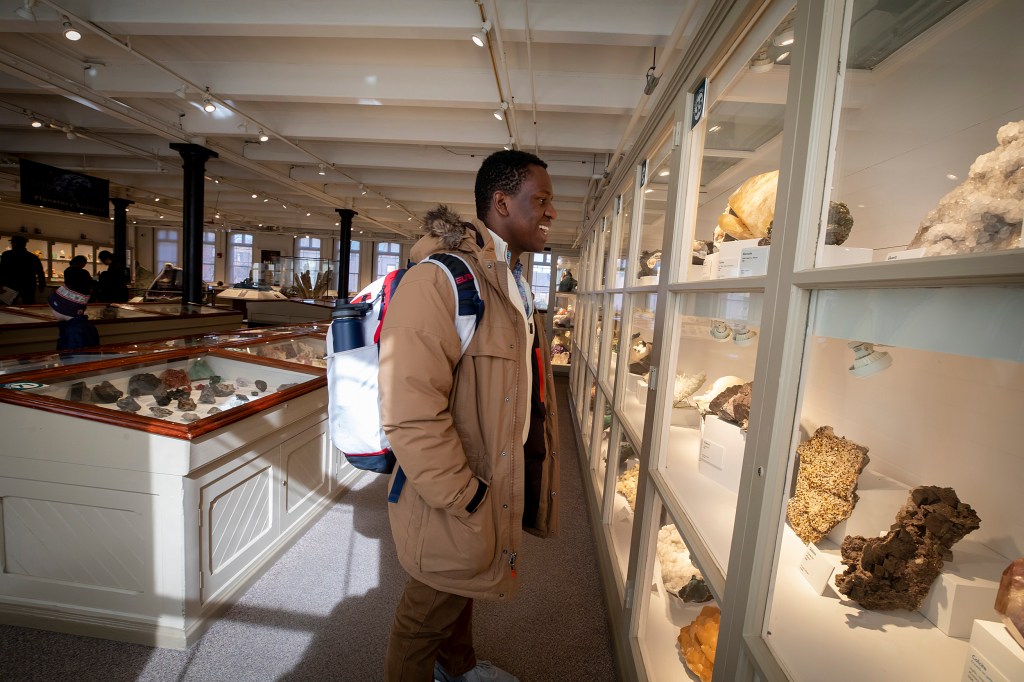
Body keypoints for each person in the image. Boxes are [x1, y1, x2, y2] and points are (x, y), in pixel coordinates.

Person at [379, 150, 561, 682]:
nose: (551, 213)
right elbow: (409, 409)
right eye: (542, 201)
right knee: (422, 618)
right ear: (501, 203)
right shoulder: (441, 281)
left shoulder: (507, 279)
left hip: (489, 477)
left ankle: (457, 671)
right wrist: (465, 495)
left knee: (465, 586)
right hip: (457, 489)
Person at [48, 284, 99, 351]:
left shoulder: (73, 331)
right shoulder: (84, 325)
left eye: (52, 309)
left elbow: (74, 356)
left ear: (63, 310)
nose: (51, 312)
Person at [0, 234, 47, 304]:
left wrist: (1, 284)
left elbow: (2, 270)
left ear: (13, 243)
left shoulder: (6, 255)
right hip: (28, 285)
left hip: (10, 284)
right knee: (29, 304)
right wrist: (42, 285)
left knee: (7, 305)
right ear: (24, 244)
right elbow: (40, 272)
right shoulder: (33, 257)